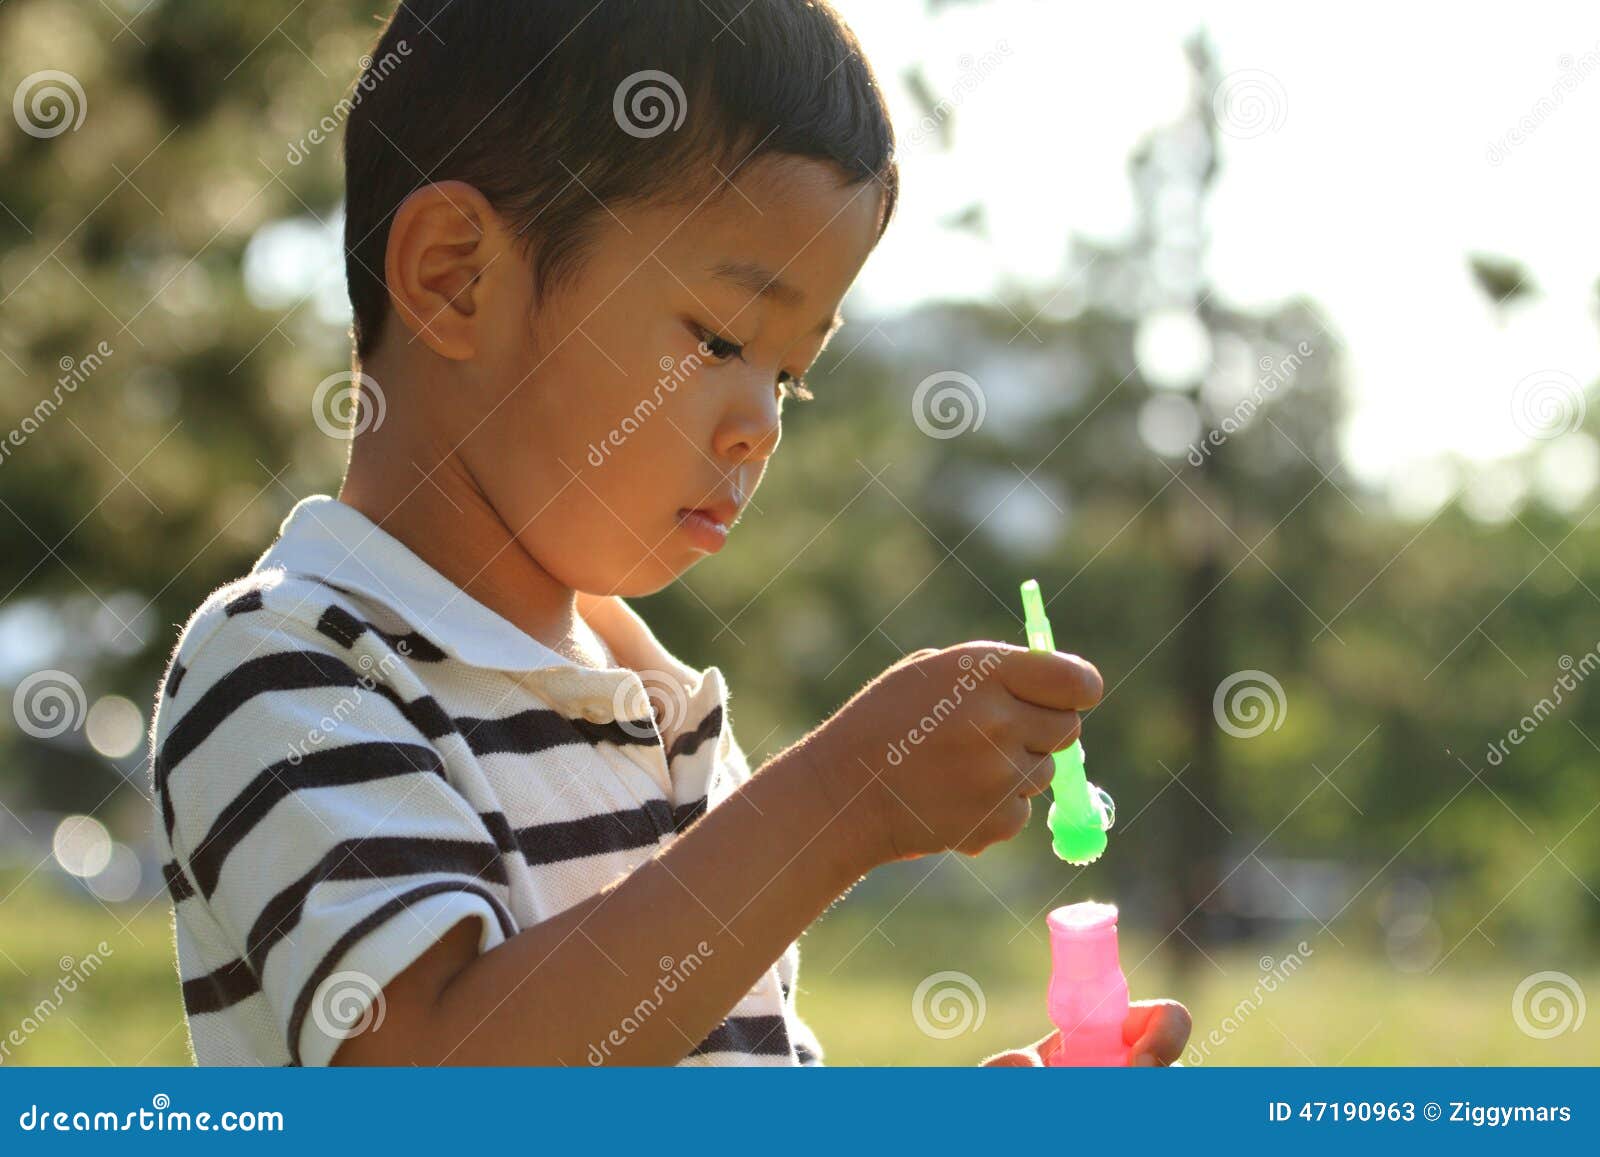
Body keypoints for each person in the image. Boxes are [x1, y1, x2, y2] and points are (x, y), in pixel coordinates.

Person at [149, 0, 1189, 1068]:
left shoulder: (670, 717)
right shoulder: (289, 671)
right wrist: (838, 801)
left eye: (791, 374)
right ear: (454, 277)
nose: (762, 426)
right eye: (722, 338)